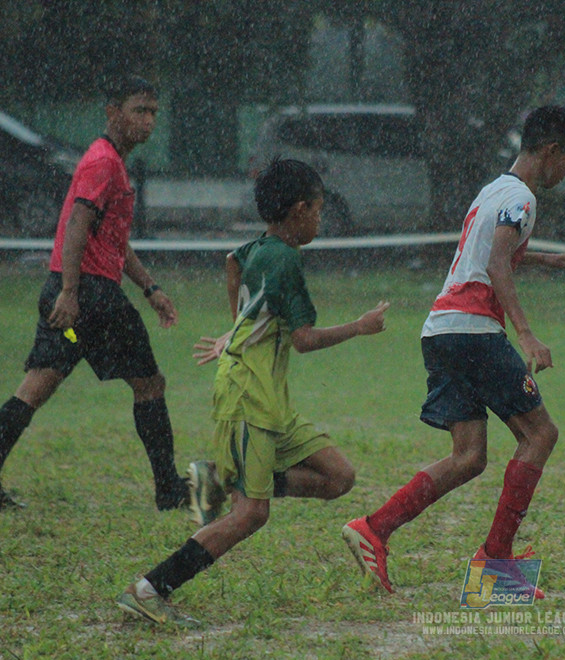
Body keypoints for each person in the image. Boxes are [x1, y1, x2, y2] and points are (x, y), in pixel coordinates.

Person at [116, 157, 390, 626]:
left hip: (269, 399)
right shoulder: (284, 261)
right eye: (319, 211)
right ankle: (149, 589)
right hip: (248, 398)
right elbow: (304, 340)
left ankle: (220, 480)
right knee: (251, 515)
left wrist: (236, 329)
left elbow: (231, 262)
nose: (320, 220)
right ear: (300, 209)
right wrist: (360, 327)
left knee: (338, 477)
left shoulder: (262, 246)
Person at [342, 105, 565, 597]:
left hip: (440, 331)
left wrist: (544, 258)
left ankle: (374, 528)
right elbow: (497, 262)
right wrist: (525, 334)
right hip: (474, 334)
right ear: (551, 152)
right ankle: (495, 566)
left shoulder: (494, 189)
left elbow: (488, 253)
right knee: (540, 435)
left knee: (469, 456)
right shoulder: (522, 198)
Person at [0, 75, 190, 512]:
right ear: (112, 112)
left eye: (153, 113)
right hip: (91, 297)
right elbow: (76, 227)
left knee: (35, 388)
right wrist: (71, 291)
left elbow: (113, 240)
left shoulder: (110, 162)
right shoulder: (103, 162)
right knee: (149, 384)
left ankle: (169, 488)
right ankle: (169, 490)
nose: (148, 121)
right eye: (140, 110)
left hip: (71, 299)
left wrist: (151, 288)